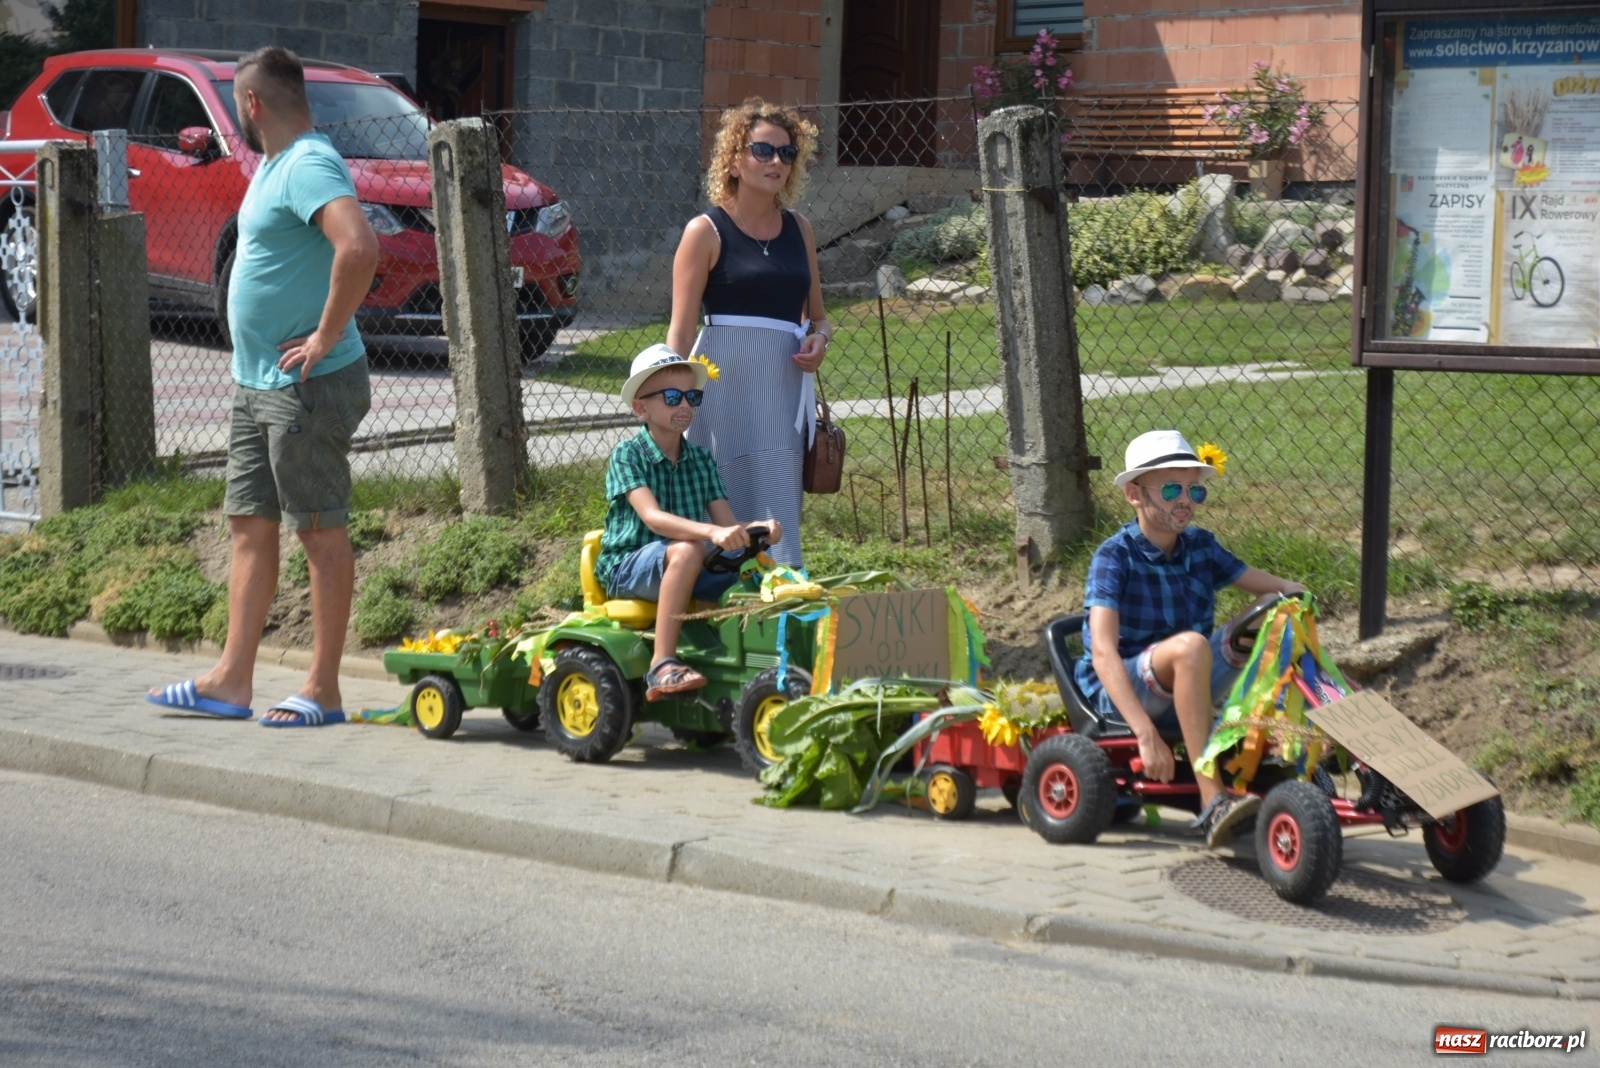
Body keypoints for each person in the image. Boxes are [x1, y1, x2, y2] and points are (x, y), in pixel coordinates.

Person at [147, 46, 378, 727]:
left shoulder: (307, 163)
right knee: (249, 527)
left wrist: (325, 335)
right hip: (256, 384)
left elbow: (359, 246)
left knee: (319, 530)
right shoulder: (275, 165)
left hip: (306, 383)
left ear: (251, 103)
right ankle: (230, 680)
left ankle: (323, 690)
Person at [1075, 430, 1306, 847]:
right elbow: (1103, 653)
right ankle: (1211, 798)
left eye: (1194, 490)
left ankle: (1283, 742)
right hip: (1125, 689)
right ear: (1134, 495)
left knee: (1273, 612)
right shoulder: (1114, 556)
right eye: (1171, 489)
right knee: (1192, 645)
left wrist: (1298, 595)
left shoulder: (1200, 546)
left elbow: (1270, 587)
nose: (1185, 500)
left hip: (1189, 676)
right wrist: (1145, 734)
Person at [666, 99, 828, 570]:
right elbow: (681, 330)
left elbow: (819, 317)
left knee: (778, 497)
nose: (776, 161)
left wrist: (820, 340)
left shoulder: (800, 229)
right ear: (735, 159)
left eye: (787, 153)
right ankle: (711, 591)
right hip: (721, 386)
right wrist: (670, 397)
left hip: (782, 387)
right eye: (763, 150)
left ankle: (781, 589)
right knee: (718, 490)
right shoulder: (705, 231)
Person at [596, 344, 782, 702]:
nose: (684, 405)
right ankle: (661, 664)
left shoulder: (701, 459)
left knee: (748, 580)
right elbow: (653, 519)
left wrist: (759, 528)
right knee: (687, 550)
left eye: (692, 397)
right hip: (628, 568)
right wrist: (712, 532)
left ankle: (742, 667)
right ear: (641, 408)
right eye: (672, 397)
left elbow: (727, 524)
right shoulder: (627, 455)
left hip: (686, 564)